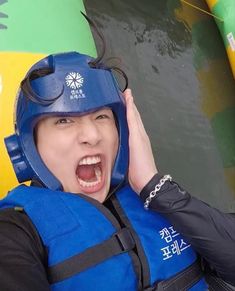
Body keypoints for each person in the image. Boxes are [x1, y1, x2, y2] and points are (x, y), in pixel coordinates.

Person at [0, 51, 234, 291]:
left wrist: (156, 188)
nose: (92, 136)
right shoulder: (14, 231)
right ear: (28, 146)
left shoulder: (156, 198)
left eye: (101, 116)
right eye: (63, 121)